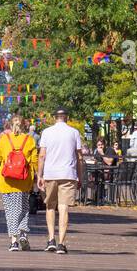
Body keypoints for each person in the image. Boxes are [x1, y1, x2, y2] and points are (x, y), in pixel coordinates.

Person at [37, 108, 86, 253]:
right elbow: (79, 157)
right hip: (68, 174)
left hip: (51, 173)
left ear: (54, 118)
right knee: (64, 208)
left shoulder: (47, 132)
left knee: (50, 206)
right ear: (67, 117)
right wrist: (80, 176)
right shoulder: (74, 132)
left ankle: (51, 239)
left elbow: (42, 156)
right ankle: (61, 243)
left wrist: (39, 175)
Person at [0, 115, 38, 251]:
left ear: (10, 124)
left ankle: (14, 241)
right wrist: (38, 176)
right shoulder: (29, 140)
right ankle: (23, 233)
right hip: (23, 181)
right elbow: (35, 160)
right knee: (24, 209)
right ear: (24, 125)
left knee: (11, 211)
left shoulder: (4, 139)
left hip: (6, 181)